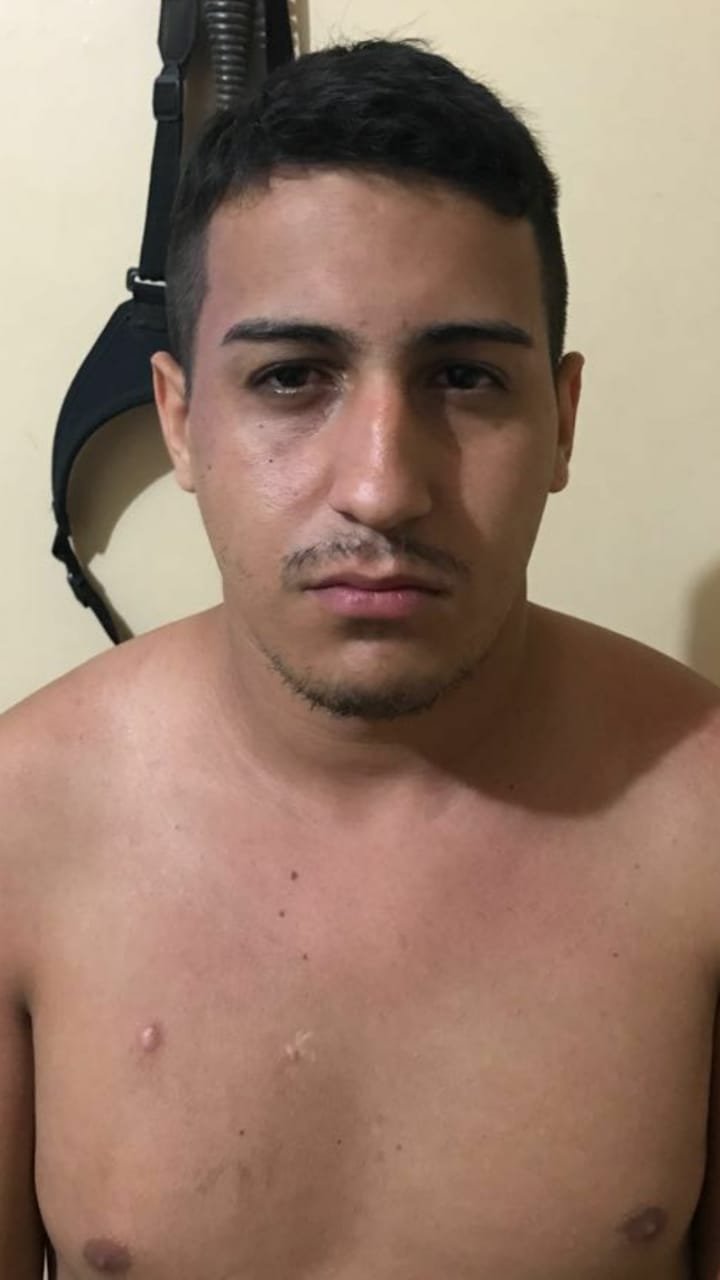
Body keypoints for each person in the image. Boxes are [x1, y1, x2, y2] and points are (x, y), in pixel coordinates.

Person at [1, 35, 719, 1280]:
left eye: (465, 377)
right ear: (180, 418)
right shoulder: (20, 828)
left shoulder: (704, 820)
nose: (384, 487)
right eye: (292, 376)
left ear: (561, 420)